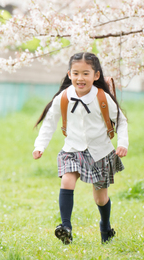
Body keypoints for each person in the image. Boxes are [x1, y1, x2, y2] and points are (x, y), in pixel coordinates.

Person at [33, 52, 128, 245]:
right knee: (67, 180)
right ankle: (65, 227)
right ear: (69, 74)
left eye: (86, 73)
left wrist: (122, 143)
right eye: (76, 73)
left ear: (96, 75)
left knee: (100, 198)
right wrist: (40, 145)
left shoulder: (102, 97)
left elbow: (121, 121)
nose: (80, 78)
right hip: (72, 148)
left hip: (99, 152)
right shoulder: (64, 97)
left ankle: (105, 226)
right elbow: (50, 123)